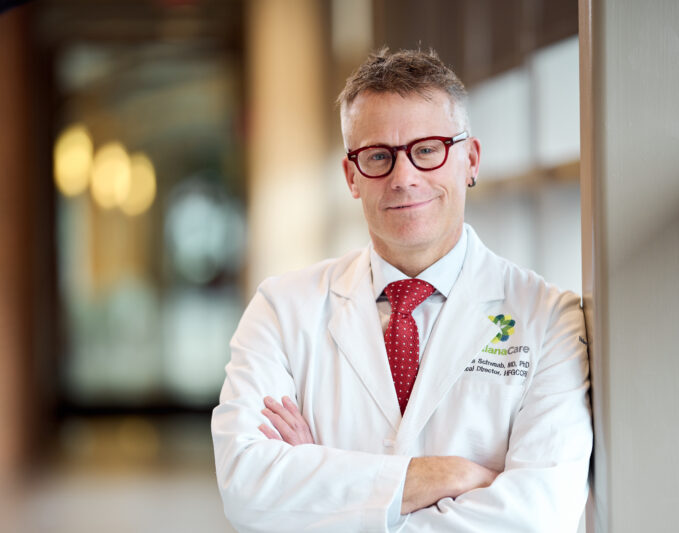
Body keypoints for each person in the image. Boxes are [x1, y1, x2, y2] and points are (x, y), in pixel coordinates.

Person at [211, 47, 592, 533]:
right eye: (378, 157)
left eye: (427, 150)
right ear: (352, 177)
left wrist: (324, 490)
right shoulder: (282, 309)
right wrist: (447, 476)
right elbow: (247, 486)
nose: (404, 178)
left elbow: (538, 515)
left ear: (471, 160)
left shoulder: (549, 319)